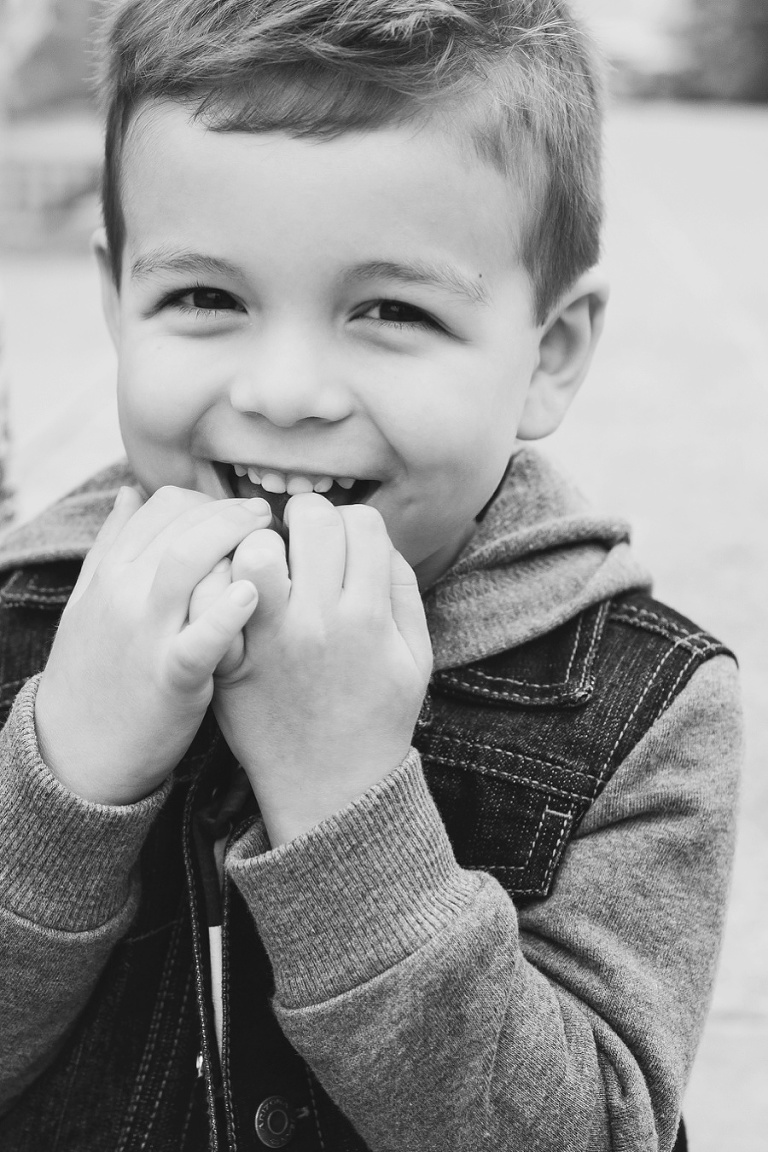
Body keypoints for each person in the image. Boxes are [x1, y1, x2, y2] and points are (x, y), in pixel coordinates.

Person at [0, 1, 741, 1149]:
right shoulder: (21, 620)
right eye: (206, 298)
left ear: (550, 354)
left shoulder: (647, 712)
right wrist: (66, 777)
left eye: (391, 310)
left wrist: (347, 808)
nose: (285, 391)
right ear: (116, 301)